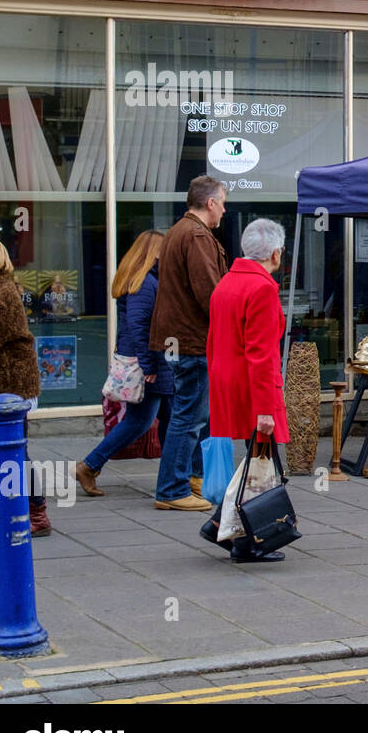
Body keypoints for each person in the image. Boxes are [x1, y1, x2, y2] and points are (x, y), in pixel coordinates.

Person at [207, 218, 292, 563]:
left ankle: (223, 525)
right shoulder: (263, 288)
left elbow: (214, 341)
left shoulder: (226, 283)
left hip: (228, 382)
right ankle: (245, 538)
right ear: (275, 253)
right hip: (252, 386)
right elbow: (262, 355)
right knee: (260, 467)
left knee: (256, 464)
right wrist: (266, 411)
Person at [150, 176, 228, 512]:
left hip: (178, 337)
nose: (224, 209)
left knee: (192, 412)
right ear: (210, 203)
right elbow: (209, 292)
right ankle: (171, 489)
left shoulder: (178, 231)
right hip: (193, 339)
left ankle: (192, 477)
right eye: (222, 202)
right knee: (189, 416)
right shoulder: (196, 235)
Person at [76, 231, 173, 497]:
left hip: (153, 362)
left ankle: (175, 477)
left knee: (170, 419)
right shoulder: (144, 283)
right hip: (149, 364)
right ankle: (90, 465)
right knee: (141, 422)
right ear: (153, 252)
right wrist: (150, 365)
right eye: (165, 250)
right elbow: (139, 327)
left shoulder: (146, 280)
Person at [0, 237, 50, 535]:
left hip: (7, 390)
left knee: (18, 454)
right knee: (17, 453)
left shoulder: (0, 296)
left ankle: (38, 514)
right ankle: (36, 511)